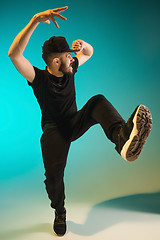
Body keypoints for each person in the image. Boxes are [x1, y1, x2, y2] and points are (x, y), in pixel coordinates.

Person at [8, 6, 152, 236]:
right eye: (67, 56)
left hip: (74, 121)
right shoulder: (38, 78)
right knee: (54, 178)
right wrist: (35, 20)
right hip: (54, 131)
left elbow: (88, 53)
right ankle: (60, 212)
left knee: (97, 101)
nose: (72, 59)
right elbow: (14, 54)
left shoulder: (70, 68)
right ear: (55, 62)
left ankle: (122, 139)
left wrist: (84, 46)